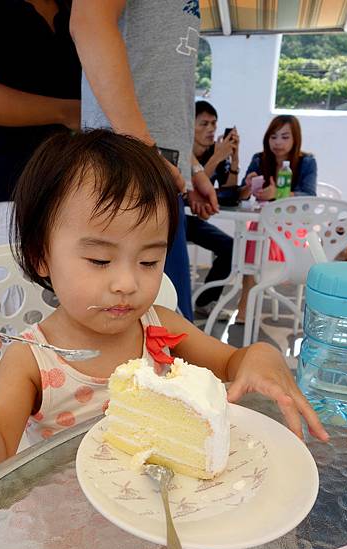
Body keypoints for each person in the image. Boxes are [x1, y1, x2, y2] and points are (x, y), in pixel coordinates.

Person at [0, 129, 328, 485]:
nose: (127, 284)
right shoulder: (31, 360)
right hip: (67, 526)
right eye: (100, 260)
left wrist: (261, 354)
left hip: (158, 505)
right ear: (41, 257)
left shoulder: (158, 325)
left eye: (149, 262)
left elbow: (233, 362)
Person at [70, 0, 219, 322]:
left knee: (165, 326)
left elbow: (166, 96)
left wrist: (192, 170)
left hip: (156, 165)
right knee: (149, 328)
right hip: (128, 167)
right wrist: (143, 149)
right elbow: (88, 21)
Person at [0, 0, 81, 253]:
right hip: (13, 194)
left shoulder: (73, 8)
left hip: (79, 187)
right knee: (26, 292)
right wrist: (67, 112)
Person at [237, 115, 317, 322]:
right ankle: (246, 299)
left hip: (293, 225)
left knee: (255, 235)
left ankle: (255, 292)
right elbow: (242, 196)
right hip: (263, 222)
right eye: (273, 137)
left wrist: (279, 194)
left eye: (284, 137)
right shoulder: (259, 159)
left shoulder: (307, 161)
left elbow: (309, 197)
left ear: (295, 139)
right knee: (254, 232)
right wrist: (247, 186)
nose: (278, 143)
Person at [190, 101, 238, 317]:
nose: (211, 129)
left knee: (231, 247)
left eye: (214, 124)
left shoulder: (214, 152)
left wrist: (234, 157)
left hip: (194, 220)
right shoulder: (181, 151)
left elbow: (229, 190)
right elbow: (191, 183)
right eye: (204, 124)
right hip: (174, 217)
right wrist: (218, 156)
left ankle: (204, 301)